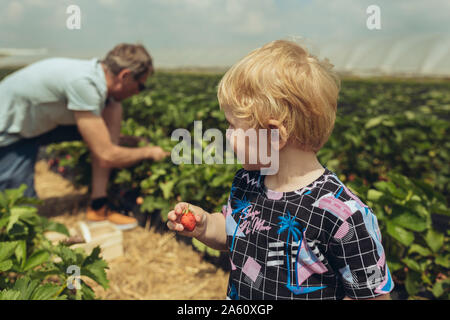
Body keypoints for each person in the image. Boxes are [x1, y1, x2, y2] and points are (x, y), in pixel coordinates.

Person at [167, 40, 394, 300]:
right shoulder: (248, 183)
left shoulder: (343, 216)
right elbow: (233, 232)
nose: (227, 135)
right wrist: (206, 226)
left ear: (274, 135)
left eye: (232, 125)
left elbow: (372, 296)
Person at [0, 43, 169, 230]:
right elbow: (106, 155)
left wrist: (120, 142)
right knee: (21, 213)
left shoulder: (100, 84)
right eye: (141, 86)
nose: (138, 92)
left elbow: (103, 141)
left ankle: (98, 206)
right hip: (10, 132)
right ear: (125, 76)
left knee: (112, 106)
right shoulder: (85, 84)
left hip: (35, 122)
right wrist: (149, 152)